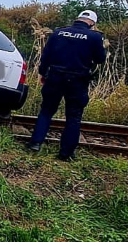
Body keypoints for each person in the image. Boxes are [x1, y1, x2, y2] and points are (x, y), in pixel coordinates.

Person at [26, 10, 107, 160]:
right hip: (78, 81)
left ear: (78, 19)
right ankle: (66, 154)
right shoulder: (95, 37)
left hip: (55, 77)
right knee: (74, 117)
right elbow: (100, 59)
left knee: (46, 111)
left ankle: (35, 144)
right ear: (92, 23)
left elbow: (46, 56)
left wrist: (43, 73)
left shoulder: (58, 33)